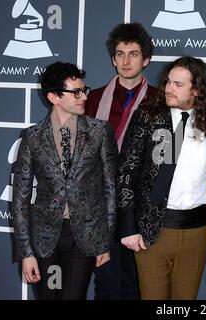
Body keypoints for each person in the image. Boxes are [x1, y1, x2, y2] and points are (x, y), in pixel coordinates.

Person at [116, 56, 206, 299]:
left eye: (178, 84)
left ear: (196, 90)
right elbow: (126, 174)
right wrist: (129, 228)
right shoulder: (148, 116)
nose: (169, 89)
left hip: (196, 231)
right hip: (153, 230)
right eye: (168, 82)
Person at [12, 62, 118, 300]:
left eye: (84, 90)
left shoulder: (100, 131)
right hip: (45, 238)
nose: (83, 97)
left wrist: (105, 240)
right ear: (54, 97)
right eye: (76, 92)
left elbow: (111, 188)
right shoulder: (32, 137)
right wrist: (26, 252)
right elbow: (20, 197)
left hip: (85, 238)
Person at [84, 22, 157, 300]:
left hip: (139, 205)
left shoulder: (159, 100)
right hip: (100, 204)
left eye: (134, 54)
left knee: (135, 284)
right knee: (106, 283)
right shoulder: (92, 99)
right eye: (120, 54)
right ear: (113, 59)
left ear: (146, 59)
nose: (126, 61)